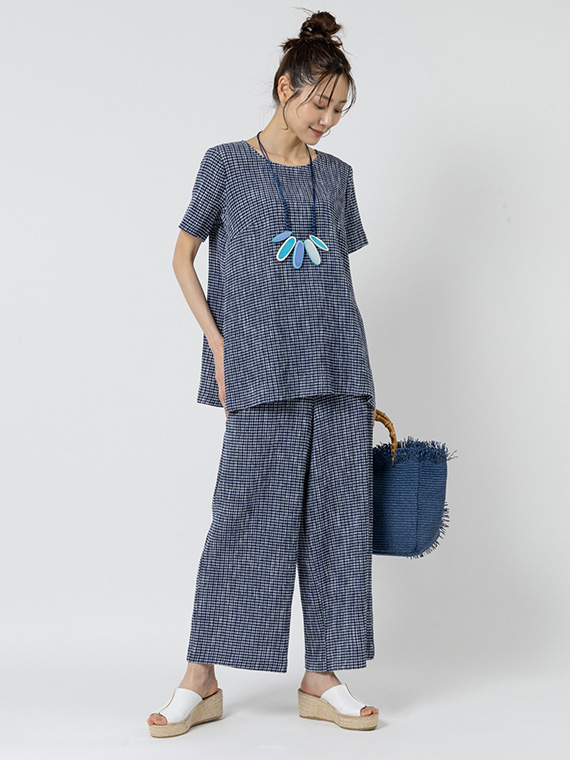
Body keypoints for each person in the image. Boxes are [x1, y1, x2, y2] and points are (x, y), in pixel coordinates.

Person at [147, 10, 380, 737]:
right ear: (286, 87)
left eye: (339, 110)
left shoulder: (337, 178)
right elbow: (182, 257)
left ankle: (323, 676)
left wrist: (357, 374)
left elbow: (335, 277)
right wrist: (218, 345)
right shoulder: (225, 163)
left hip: (338, 367)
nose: (327, 121)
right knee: (242, 516)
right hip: (259, 366)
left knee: (340, 520)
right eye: (320, 104)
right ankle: (201, 679)